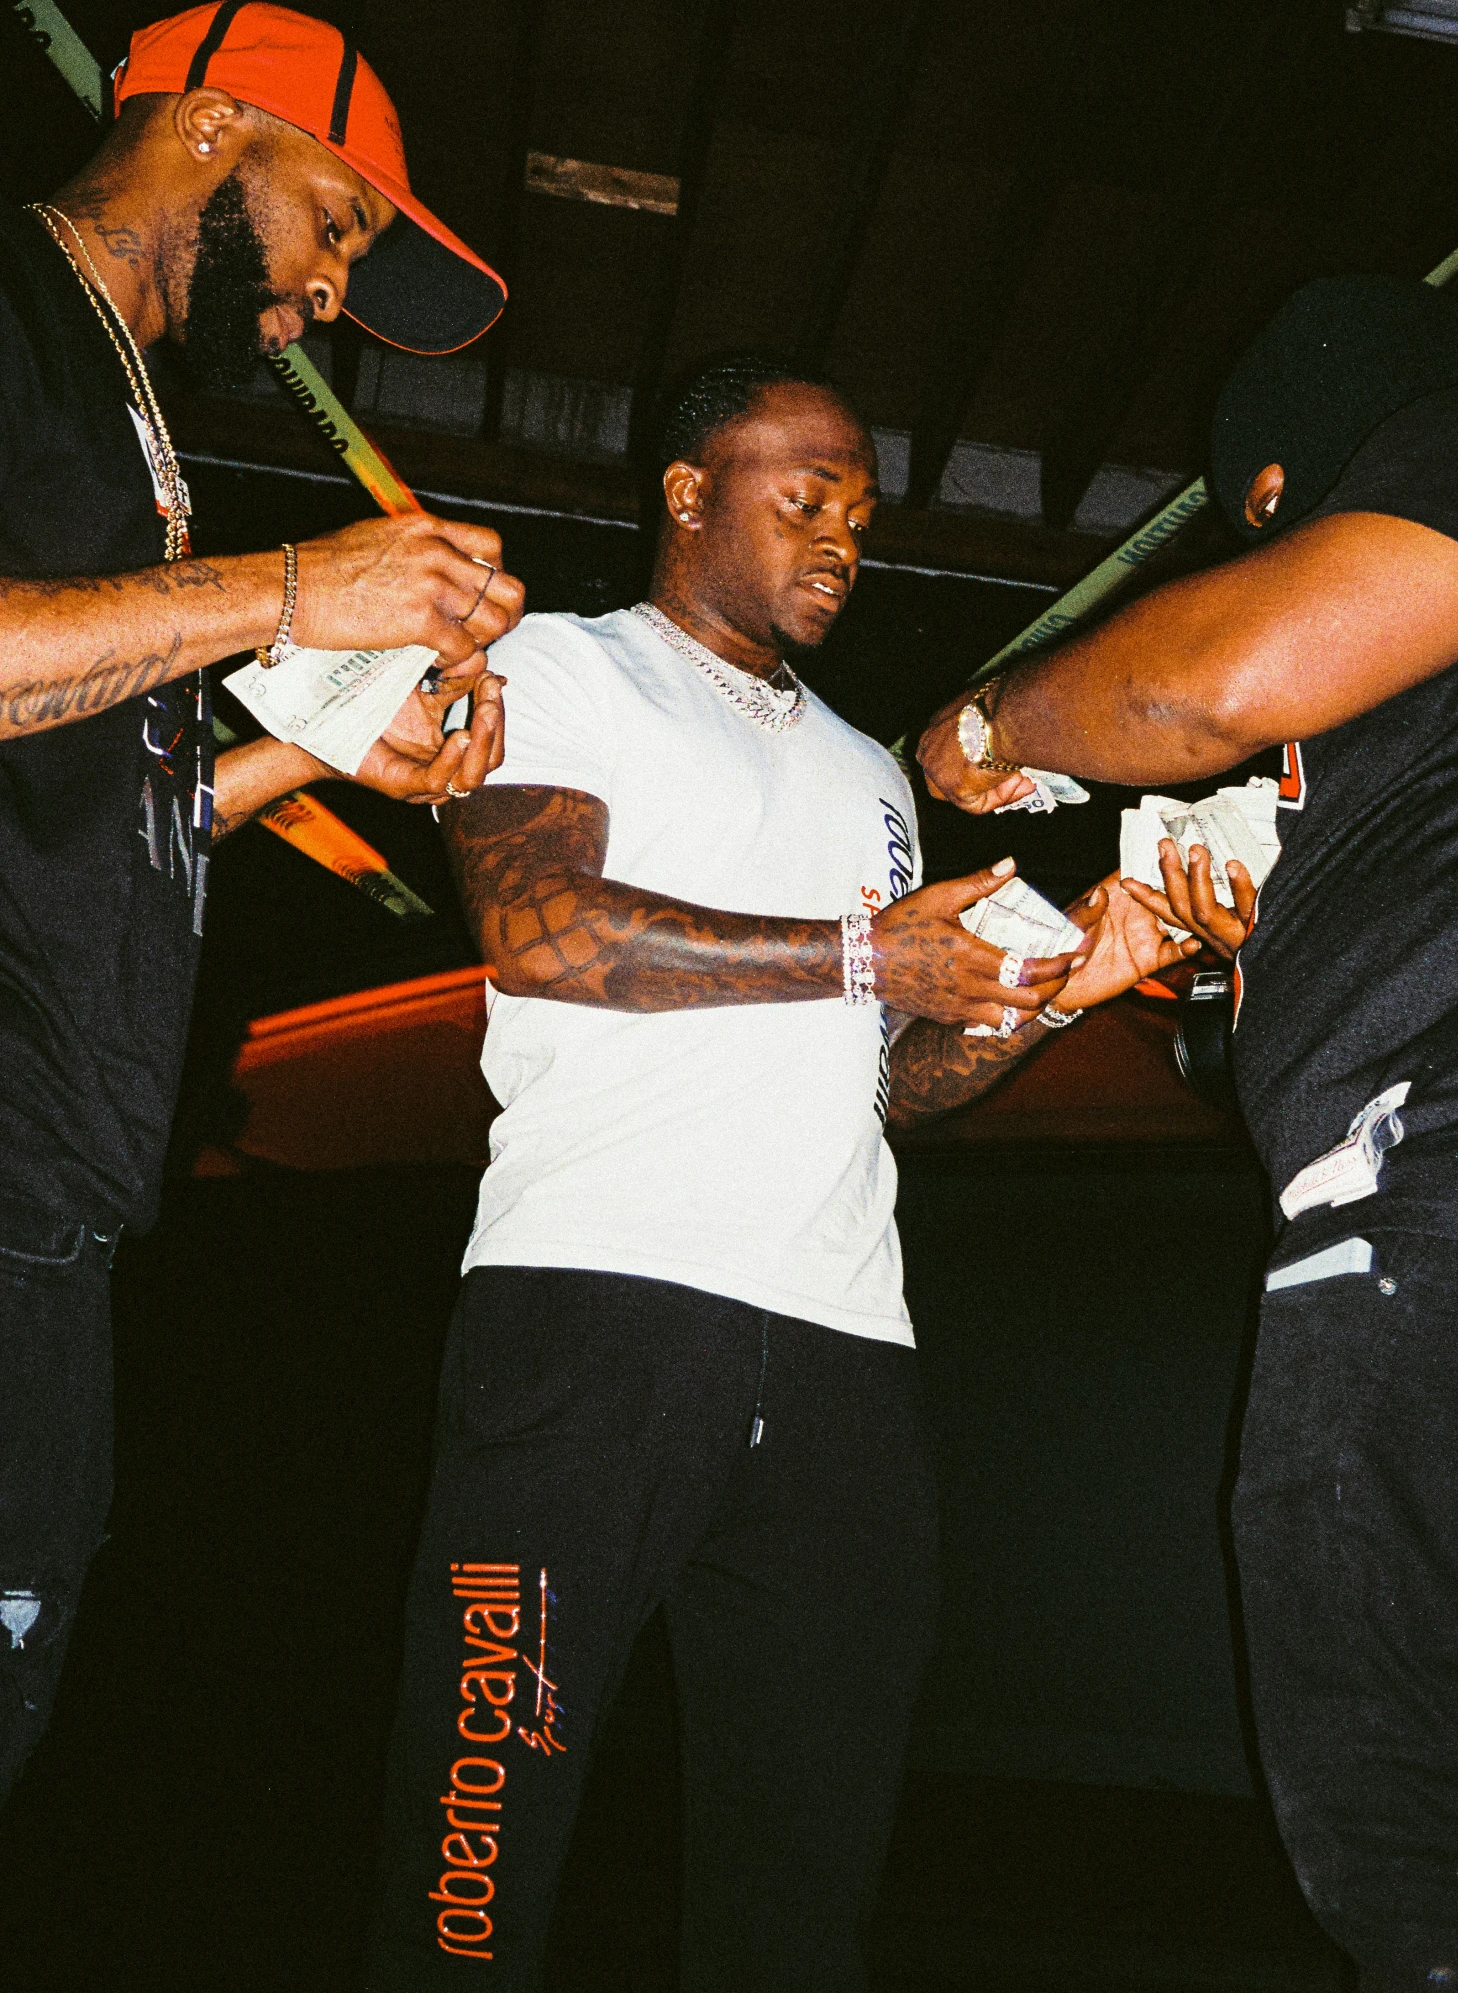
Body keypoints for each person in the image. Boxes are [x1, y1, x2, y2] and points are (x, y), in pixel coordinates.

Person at [363, 358, 1193, 1989]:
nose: (839, 541)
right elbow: (540, 934)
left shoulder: (874, 775)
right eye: (800, 498)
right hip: (594, 1311)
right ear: (687, 494)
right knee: (479, 1828)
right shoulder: (558, 665)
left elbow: (892, 1081)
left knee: (803, 1874)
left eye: (860, 516)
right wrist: (858, 948)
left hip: (838, 1353)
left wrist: (1051, 994)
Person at [916, 273, 1458, 1990]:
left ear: (1273, 493)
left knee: (1452, 1838)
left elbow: (1208, 679)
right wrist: (1224, 973)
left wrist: (992, 732)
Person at [0, 0, 526, 1804]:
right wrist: (299, 587)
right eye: (338, 228)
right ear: (219, 123)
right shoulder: (9, 305)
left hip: (60, 1180)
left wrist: (337, 747)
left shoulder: (125, 410)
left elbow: (95, 800)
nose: (320, 303)